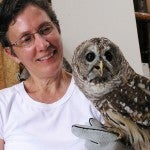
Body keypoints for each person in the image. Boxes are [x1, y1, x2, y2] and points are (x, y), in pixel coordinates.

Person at [0, 0, 132, 149]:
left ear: (58, 28)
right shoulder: (3, 105)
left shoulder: (103, 95)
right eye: (26, 39)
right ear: (11, 54)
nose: (43, 45)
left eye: (45, 29)